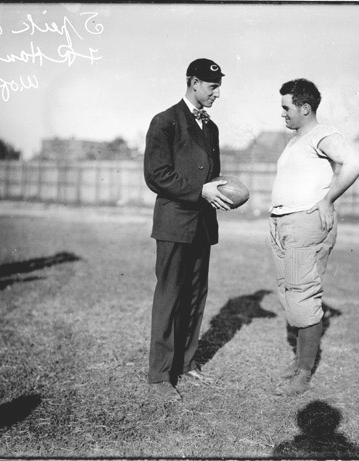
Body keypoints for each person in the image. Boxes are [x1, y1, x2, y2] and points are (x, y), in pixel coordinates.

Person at [143, 58, 232, 402]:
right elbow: (156, 175)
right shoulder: (165, 122)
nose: (217, 93)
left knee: (195, 295)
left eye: (219, 86)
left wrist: (221, 191)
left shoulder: (211, 127)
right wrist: (200, 191)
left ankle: (186, 361)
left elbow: (212, 175)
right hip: (175, 223)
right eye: (212, 86)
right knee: (170, 297)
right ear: (193, 83)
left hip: (202, 224)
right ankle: (160, 375)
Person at [269, 79, 359, 396]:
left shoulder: (323, 134)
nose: (282, 113)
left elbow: (355, 162)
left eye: (287, 107)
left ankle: (304, 374)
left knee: (303, 294)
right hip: (283, 223)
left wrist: (327, 200)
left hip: (305, 222)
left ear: (305, 108)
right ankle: (299, 363)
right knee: (289, 293)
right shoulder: (297, 140)